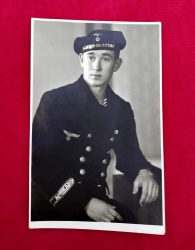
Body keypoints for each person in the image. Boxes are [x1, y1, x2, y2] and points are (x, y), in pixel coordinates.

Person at [31, 29, 161, 223]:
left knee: (131, 224)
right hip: (52, 204)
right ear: (82, 60)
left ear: (117, 64)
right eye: (91, 57)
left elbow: (129, 157)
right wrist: (84, 202)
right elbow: (40, 163)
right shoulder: (55, 101)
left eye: (106, 59)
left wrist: (144, 172)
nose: (96, 66)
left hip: (98, 201)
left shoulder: (121, 109)